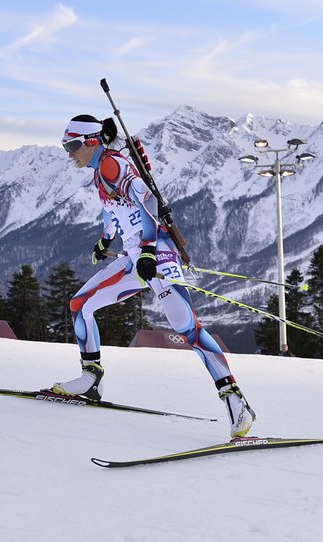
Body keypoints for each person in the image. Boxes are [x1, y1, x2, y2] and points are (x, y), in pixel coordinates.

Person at [52, 114, 256, 439]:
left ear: (92, 141)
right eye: (65, 146)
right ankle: (91, 378)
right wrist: (106, 239)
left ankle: (235, 401)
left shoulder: (112, 164)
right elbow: (115, 208)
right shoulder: (99, 171)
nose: (68, 152)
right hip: (136, 257)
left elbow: (146, 201)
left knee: (186, 326)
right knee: (81, 304)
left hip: (155, 252)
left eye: (72, 145)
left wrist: (148, 249)